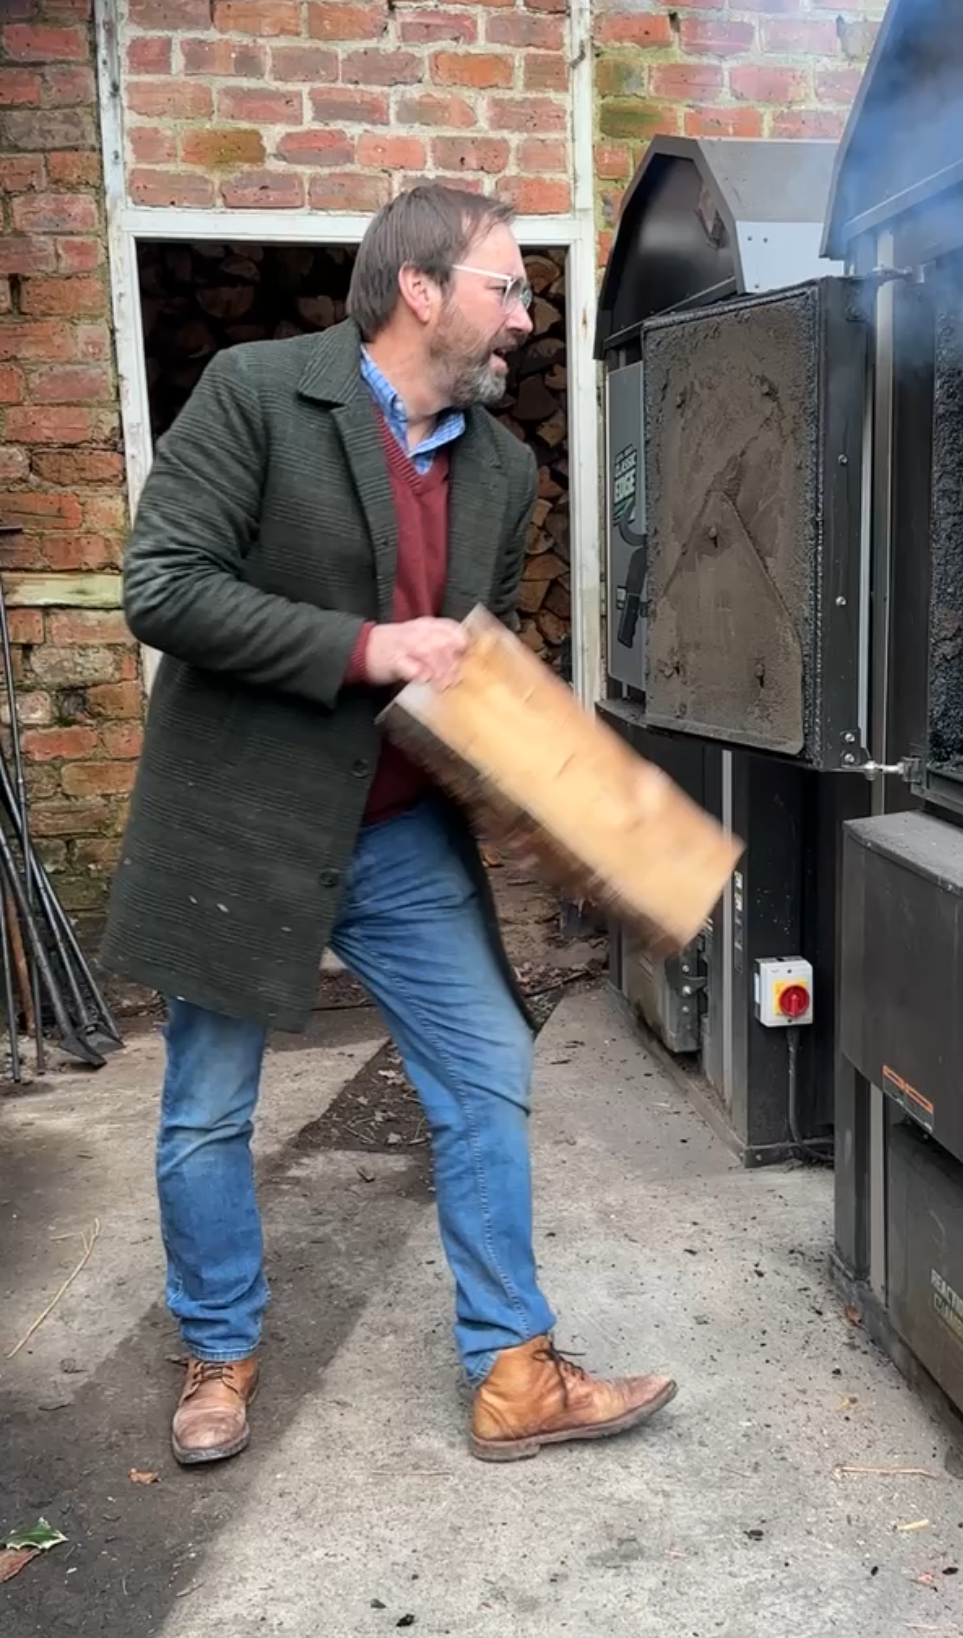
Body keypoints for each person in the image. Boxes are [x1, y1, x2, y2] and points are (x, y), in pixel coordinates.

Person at [101, 185, 677, 1467]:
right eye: (505, 287)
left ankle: (514, 1371)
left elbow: (466, 657)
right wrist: (365, 648)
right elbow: (165, 586)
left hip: (401, 832)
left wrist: (569, 803)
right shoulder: (259, 394)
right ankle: (219, 1345)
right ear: (420, 290)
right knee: (208, 1107)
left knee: (485, 1070)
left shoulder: (503, 468)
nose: (525, 316)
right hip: (247, 823)